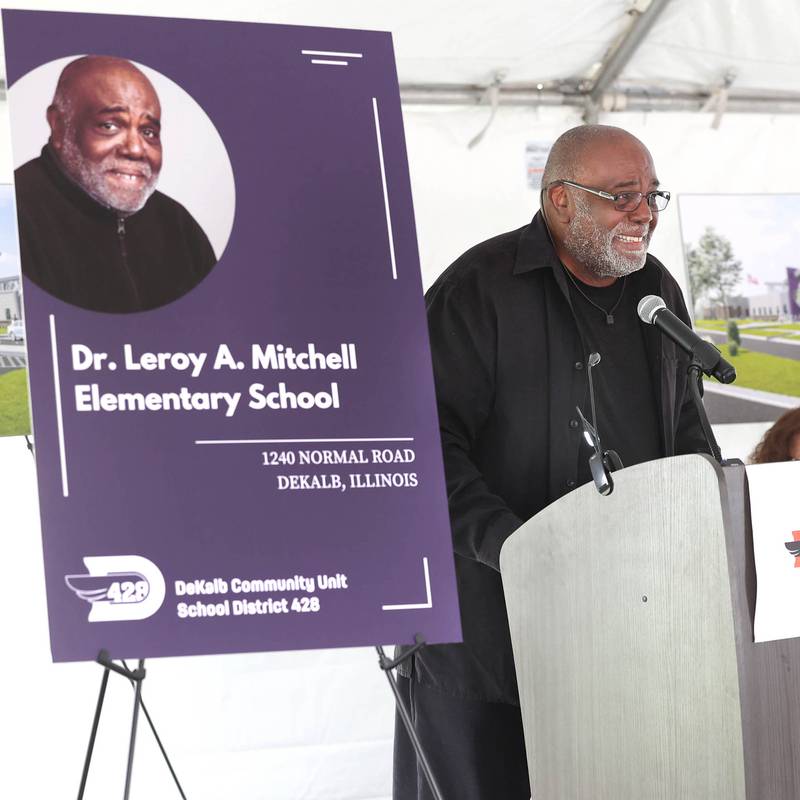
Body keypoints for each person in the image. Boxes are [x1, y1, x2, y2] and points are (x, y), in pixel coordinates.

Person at [393, 124, 709, 799]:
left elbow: (686, 428)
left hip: (624, 627)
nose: (644, 214)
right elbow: (423, 443)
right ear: (561, 199)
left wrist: (717, 504)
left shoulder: (658, 292)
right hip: (485, 636)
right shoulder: (478, 289)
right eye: (623, 196)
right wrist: (517, 546)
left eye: (653, 196)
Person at [14, 55, 216, 313]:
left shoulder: (179, 226)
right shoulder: (15, 215)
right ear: (59, 126)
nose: (135, 149)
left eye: (148, 132)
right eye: (109, 125)